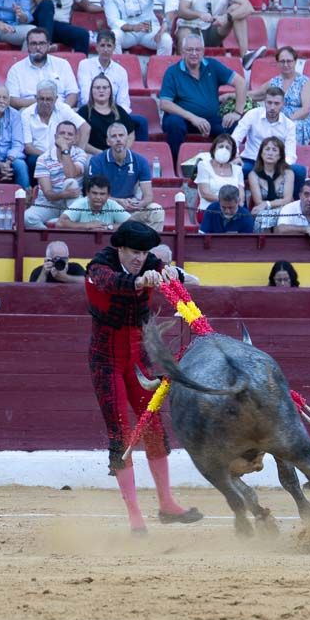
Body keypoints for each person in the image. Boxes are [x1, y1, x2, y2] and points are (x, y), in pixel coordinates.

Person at [83, 220, 202, 534]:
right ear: (120, 248)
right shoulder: (98, 266)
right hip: (106, 361)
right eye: (135, 251)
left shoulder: (149, 263)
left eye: (144, 252)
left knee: (154, 429)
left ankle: (166, 504)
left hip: (139, 360)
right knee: (121, 434)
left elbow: (169, 272)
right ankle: (135, 515)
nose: (140, 257)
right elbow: (111, 283)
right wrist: (139, 282)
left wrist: (173, 274)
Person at [157, 31, 246, 162]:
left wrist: (237, 112)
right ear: (182, 51)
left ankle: (226, 163)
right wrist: (193, 118)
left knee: (233, 125)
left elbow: (241, 82)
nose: (194, 53)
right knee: (174, 124)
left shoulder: (212, 65)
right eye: (190, 50)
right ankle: (174, 162)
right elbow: (164, 103)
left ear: (203, 51)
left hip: (210, 119)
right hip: (183, 118)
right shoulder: (172, 72)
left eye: (197, 50)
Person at [87, 122, 164, 229]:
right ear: (108, 141)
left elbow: (148, 196)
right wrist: (118, 201)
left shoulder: (140, 161)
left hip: (130, 209)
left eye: (121, 135)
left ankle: (148, 244)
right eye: (114, 136)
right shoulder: (97, 161)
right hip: (105, 208)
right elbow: (92, 195)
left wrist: (138, 204)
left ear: (127, 139)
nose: (118, 139)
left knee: (156, 210)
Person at [77, 29, 147, 139]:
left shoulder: (121, 71)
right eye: (102, 45)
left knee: (141, 122)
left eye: (109, 46)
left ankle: (133, 155)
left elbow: (124, 102)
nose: (105, 49)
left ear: (114, 48)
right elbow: (86, 98)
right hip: (90, 112)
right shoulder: (85, 65)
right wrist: (102, 112)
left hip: (114, 113)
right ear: (96, 47)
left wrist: (114, 115)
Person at [231, 88, 305, 191]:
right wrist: (235, 156)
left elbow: (291, 154)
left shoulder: (289, 125)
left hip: (276, 163)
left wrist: (280, 167)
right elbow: (235, 138)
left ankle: (294, 204)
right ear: (264, 102)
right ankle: (241, 205)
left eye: (276, 103)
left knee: (300, 171)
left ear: (283, 104)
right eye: (269, 103)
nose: (272, 107)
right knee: (237, 170)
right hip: (252, 161)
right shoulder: (252, 115)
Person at [24, 119, 88, 227]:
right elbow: (48, 193)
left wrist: (65, 150)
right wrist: (63, 194)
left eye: (70, 134)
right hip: (49, 203)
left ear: (75, 139)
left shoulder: (80, 154)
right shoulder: (43, 159)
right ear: (55, 137)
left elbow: (70, 174)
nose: (66, 137)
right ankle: (48, 237)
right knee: (27, 218)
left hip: (72, 201)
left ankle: (63, 221)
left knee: (71, 182)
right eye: (62, 133)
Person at [174, 0, 263, 68]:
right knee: (184, 34)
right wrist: (199, 15)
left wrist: (227, 17)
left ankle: (245, 56)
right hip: (191, 27)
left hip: (215, 28)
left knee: (237, 8)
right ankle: (183, 70)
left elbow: (248, 7)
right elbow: (181, 11)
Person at [249, 47, 310, 146]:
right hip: (276, 119)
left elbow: (306, 109)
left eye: (289, 61)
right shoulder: (275, 81)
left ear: (295, 61)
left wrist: (286, 121)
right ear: (277, 63)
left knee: (291, 129)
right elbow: (257, 94)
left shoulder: (304, 82)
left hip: (299, 121)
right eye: (282, 61)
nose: (286, 65)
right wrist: (232, 95)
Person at [21, 80, 90, 177]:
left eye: (49, 99)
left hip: (64, 154)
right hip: (39, 156)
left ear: (56, 99)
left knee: (85, 164)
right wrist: (51, 158)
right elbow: (28, 147)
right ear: (36, 98)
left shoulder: (63, 109)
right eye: (41, 99)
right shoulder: (26, 114)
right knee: (34, 161)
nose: (45, 102)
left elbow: (85, 128)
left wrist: (78, 153)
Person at [7, 28, 79, 109]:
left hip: (60, 109)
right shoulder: (16, 69)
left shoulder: (62, 64)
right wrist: (41, 102)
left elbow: (73, 93)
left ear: (48, 45)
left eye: (42, 43)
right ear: (27, 46)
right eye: (33, 44)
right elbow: (12, 99)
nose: (38, 47)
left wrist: (63, 110)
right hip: (28, 111)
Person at [79, 75, 137, 155]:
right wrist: (102, 154)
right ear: (91, 91)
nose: (101, 90)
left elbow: (131, 133)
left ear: (110, 91)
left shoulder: (119, 111)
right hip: (92, 155)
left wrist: (123, 151)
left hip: (118, 155)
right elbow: (78, 139)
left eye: (105, 87)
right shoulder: (83, 112)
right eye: (97, 88)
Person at [104, 0, 174, 56]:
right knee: (113, 37)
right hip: (126, 32)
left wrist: (165, 24)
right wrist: (132, 27)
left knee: (166, 40)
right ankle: (116, 67)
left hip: (149, 29)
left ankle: (161, 68)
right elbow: (113, 20)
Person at [247, 135, 295, 232]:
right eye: (267, 149)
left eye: (274, 150)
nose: (270, 153)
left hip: (284, 211)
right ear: (261, 153)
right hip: (264, 212)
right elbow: (258, 202)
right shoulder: (253, 175)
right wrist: (267, 206)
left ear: (280, 155)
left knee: (281, 217)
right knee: (262, 217)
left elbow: (287, 200)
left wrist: (267, 204)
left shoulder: (288, 173)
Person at [31, 0, 100, 55]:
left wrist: (106, 9)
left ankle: (80, 65)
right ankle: (45, 44)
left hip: (60, 26)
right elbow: (40, 1)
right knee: (47, 3)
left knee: (83, 35)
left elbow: (88, 6)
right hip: (41, 23)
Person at [57, 174, 130, 230]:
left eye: (102, 194)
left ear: (108, 196)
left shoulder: (112, 204)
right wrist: (86, 225)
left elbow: (133, 223)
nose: (98, 197)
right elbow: (60, 223)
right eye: (95, 193)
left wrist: (108, 227)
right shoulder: (80, 203)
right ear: (88, 193)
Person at [193, 132, 242, 213]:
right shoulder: (203, 165)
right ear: (214, 149)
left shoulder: (237, 169)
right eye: (221, 146)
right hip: (209, 210)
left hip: (233, 211)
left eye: (227, 148)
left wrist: (231, 206)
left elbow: (241, 195)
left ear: (232, 152)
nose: (224, 149)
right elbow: (205, 193)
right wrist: (228, 202)